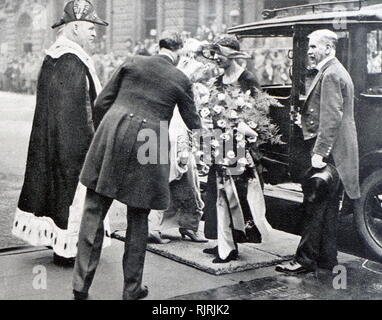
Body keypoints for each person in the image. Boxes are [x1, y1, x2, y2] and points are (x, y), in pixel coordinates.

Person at [72, 30, 202, 300]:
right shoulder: (181, 77)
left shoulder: (133, 61)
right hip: (151, 140)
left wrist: (108, 131)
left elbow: (100, 102)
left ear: (160, 46)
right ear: (178, 52)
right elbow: (194, 123)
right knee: (139, 216)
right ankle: (132, 289)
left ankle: (80, 285)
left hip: (114, 129)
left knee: (94, 210)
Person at [12, 0, 109, 267]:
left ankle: (65, 247)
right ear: (75, 27)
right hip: (72, 149)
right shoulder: (71, 61)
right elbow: (78, 116)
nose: (94, 33)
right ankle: (69, 251)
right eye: (90, 28)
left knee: (57, 196)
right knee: (73, 198)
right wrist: (92, 148)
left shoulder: (55, 57)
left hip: (53, 145)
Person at [276, 29, 360, 274]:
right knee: (328, 206)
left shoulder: (331, 73)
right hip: (339, 149)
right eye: (310, 46)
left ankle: (304, 260)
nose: (310, 51)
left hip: (330, 150)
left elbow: (331, 117)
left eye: (314, 47)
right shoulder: (333, 70)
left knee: (314, 204)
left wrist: (319, 152)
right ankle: (327, 258)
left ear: (328, 48)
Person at [202, 36, 273, 264]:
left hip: (240, 147)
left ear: (232, 55)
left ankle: (231, 245)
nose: (215, 59)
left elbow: (259, 112)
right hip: (220, 142)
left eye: (219, 54)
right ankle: (223, 241)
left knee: (236, 194)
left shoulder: (248, 79)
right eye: (214, 54)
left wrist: (244, 129)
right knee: (218, 191)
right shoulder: (217, 80)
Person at [148, 38, 210, 244]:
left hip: (165, 130)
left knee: (173, 177)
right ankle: (162, 227)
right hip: (176, 130)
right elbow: (191, 114)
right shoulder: (183, 76)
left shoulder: (165, 72)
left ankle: (172, 226)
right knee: (182, 176)